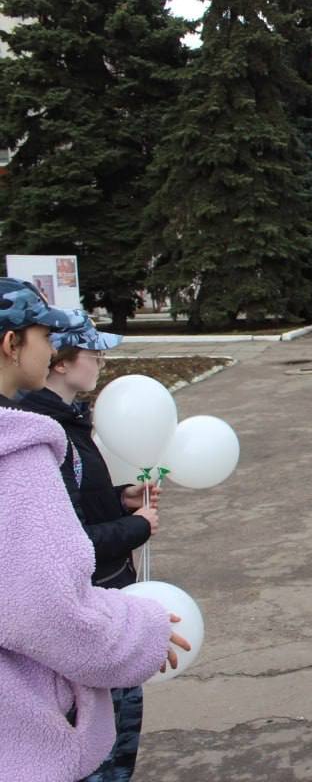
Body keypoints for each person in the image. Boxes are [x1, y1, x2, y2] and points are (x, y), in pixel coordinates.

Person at [0, 278, 189, 781]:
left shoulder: (46, 431)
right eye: (43, 336)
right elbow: (44, 604)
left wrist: (116, 502)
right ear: (11, 344)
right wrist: (142, 630)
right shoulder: (20, 449)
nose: (50, 346)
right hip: (35, 714)